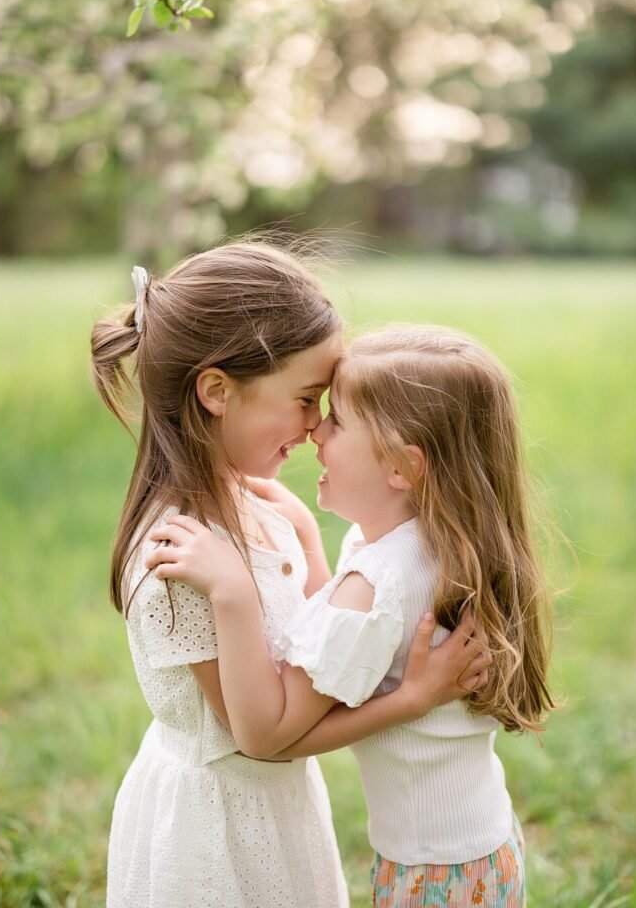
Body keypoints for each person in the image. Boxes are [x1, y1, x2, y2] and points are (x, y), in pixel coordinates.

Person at [91, 246, 489, 908]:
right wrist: (412, 699)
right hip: (211, 832)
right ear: (216, 392)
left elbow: (320, 663)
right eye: (307, 399)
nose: (315, 427)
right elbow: (265, 740)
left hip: (279, 819)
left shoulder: (260, 508)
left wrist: (305, 538)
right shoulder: (178, 557)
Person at [147, 324, 555, 908]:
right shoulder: (423, 545)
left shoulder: (378, 582)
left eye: (336, 420)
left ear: (402, 467)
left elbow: (265, 736)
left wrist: (232, 592)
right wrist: (309, 540)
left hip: (434, 873)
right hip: (480, 846)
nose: (315, 430)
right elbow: (341, 647)